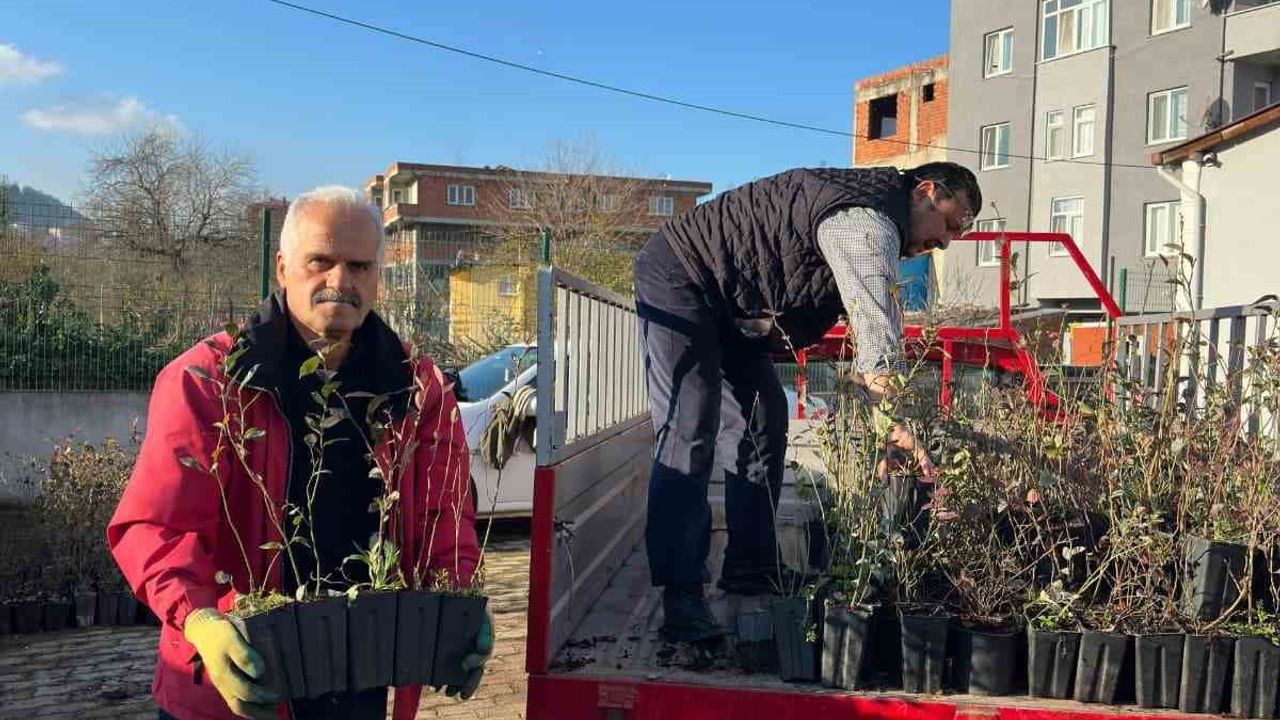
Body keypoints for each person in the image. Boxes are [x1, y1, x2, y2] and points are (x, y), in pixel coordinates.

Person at [108, 186, 491, 720]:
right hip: (237, 680)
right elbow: (153, 525)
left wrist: (461, 600)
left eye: (359, 266)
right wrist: (198, 619)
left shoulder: (416, 389)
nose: (341, 282)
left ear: (378, 276)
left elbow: (444, 518)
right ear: (283, 267)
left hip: (363, 672)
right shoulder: (210, 381)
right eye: (322, 262)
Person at [633, 162, 981, 642]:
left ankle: (751, 568)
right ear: (925, 191)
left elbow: (876, 324)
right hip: (681, 273)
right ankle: (681, 595)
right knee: (690, 424)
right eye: (951, 224)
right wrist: (892, 426)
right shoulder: (867, 221)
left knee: (763, 416)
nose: (945, 242)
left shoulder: (881, 225)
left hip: (732, 302)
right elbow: (876, 332)